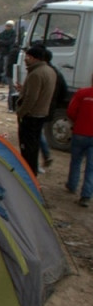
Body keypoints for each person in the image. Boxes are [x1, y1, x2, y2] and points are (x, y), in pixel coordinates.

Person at [14, 45, 57, 175]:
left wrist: (21, 112)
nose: (25, 59)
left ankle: (28, 173)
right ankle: (32, 171)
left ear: (33, 58)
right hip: (41, 113)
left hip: (31, 115)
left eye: (27, 57)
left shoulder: (36, 73)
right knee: (34, 145)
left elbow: (31, 98)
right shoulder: (50, 71)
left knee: (28, 148)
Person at [67, 73, 93, 207]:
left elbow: (71, 111)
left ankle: (72, 185)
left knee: (76, 161)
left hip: (80, 132)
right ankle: (86, 196)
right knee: (91, 168)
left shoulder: (82, 93)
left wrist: (77, 121)